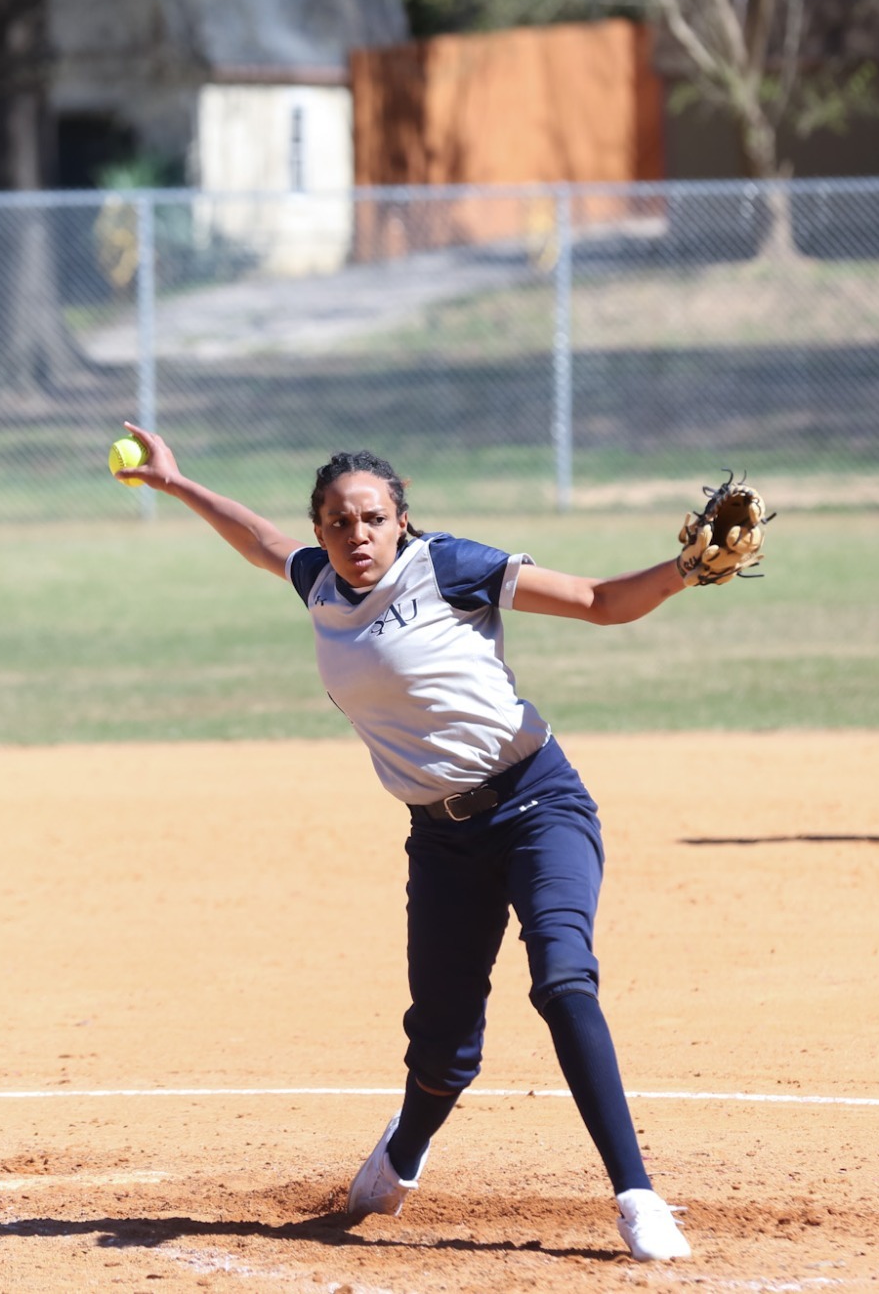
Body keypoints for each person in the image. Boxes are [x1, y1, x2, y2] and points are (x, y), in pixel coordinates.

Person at [114, 423, 725, 1262]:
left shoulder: (447, 566)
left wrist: (686, 569)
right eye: (337, 522)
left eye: (370, 517)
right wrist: (177, 485)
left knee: (564, 976)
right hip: (440, 841)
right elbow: (263, 541)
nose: (355, 536)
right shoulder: (320, 584)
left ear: (400, 518)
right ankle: (406, 1148)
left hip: (538, 802)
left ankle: (637, 1195)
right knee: (442, 1042)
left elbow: (596, 600)